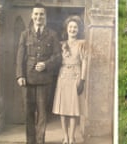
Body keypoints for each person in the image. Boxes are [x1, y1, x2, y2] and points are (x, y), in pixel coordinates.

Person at [16, 3, 62, 144]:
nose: (38, 17)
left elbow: (58, 55)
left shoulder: (52, 34)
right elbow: (20, 56)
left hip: (44, 79)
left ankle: (40, 141)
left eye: (41, 14)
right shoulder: (25, 34)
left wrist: (46, 64)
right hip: (28, 79)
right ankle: (30, 141)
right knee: (29, 112)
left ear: (45, 16)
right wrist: (20, 75)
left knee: (42, 113)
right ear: (32, 16)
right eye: (36, 14)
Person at [52, 15, 87, 144]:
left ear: (78, 29)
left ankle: (72, 137)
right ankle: (65, 137)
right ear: (66, 29)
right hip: (63, 77)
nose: (72, 29)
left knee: (73, 109)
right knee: (63, 110)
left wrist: (82, 80)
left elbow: (84, 62)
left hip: (76, 76)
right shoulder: (61, 44)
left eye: (75, 27)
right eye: (70, 27)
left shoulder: (82, 44)